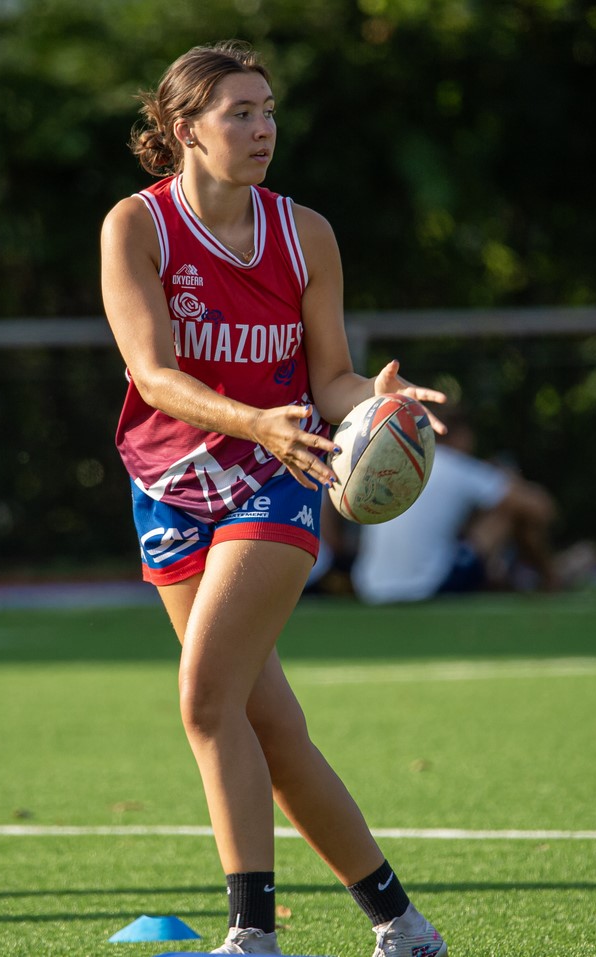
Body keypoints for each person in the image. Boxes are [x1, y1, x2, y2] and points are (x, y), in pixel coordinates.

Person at [99, 41, 449, 957]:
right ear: (186, 131)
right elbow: (151, 373)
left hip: (277, 473)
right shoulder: (136, 228)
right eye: (239, 113)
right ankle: (401, 925)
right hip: (171, 482)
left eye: (268, 110)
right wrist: (255, 417)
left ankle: (251, 935)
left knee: (206, 697)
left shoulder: (306, 234)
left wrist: (377, 404)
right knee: (269, 724)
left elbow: (328, 377)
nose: (262, 129)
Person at [351, 405, 596, 605]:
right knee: (509, 514)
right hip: (428, 587)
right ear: (461, 436)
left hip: (370, 588)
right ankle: (550, 579)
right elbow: (542, 508)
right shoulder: (457, 466)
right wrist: (509, 479)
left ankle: (516, 577)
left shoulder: (401, 465)